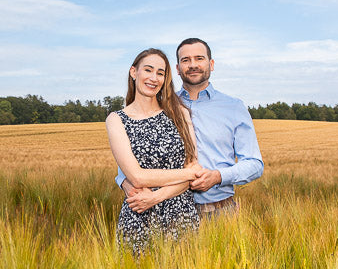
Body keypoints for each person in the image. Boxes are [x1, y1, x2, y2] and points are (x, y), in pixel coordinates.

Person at [119, 38, 263, 218]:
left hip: (219, 211)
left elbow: (254, 164)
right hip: (167, 210)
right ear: (178, 69)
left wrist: (218, 176)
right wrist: (123, 179)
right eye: (185, 60)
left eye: (199, 58)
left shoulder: (233, 107)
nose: (193, 65)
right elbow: (135, 152)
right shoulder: (161, 108)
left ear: (211, 64)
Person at [106, 48, 203, 254]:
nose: (154, 78)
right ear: (134, 72)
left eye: (160, 73)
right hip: (139, 216)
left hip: (181, 216)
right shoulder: (116, 120)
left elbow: (192, 162)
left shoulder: (180, 113)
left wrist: (156, 197)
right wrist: (189, 173)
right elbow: (137, 177)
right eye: (148, 70)